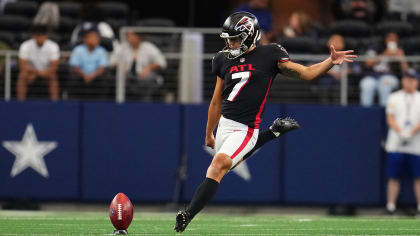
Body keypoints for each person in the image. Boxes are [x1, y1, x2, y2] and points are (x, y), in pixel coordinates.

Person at [174, 11, 356, 233]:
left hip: (245, 129)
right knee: (230, 164)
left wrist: (330, 62)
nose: (230, 43)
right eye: (229, 38)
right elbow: (215, 101)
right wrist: (208, 132)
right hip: (224, 124)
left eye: (235, 38)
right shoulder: (222, 59)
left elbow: (306, 73)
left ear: (250, 35)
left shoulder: (270, 54)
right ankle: (272, 132)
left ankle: (187, 215)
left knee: (218, 165)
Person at [385, 68, 420, 215]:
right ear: (403, 80)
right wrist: (401, 132)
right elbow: (390, 118)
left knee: (418, 177)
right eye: (407, 79)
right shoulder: (394, 97)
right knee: (393, 177)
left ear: (417, 82)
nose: (410, 82)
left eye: (412, 79)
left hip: (416, 144)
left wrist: (412, 132)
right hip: (396, 144)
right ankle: (391, 206)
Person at [111, 31, 167, 101]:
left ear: (138, 37)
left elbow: (162, 63)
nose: (128, 38)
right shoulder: (123, 47)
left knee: (147, 80)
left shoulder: (149, 47)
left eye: (131, 36)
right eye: (128, 36)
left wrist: (149, 68)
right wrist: (121, 67)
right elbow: (112, 62)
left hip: (144, 77)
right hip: (127, 77)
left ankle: (145, 104)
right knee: (119, 80)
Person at [359, 32, 408, 107]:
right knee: (367, 85)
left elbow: (406, 71)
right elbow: (367, 63)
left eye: (394, 39)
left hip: (389, 77)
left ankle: (385, 112)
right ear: (385, 40)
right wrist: (385, 54)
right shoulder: (376, 48)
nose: (392, 41)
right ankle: (366, 113)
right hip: (372, 76)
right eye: (390, 39)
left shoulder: (399, 50)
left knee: (384, 84)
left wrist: (401, 58)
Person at [17, 24, 60, 101]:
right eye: (38, 35)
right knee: (22, 75)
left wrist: (37, 73)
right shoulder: (25, 45)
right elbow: (23, 66)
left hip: (46, 72)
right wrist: (34, 73)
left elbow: (54, 67)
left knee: (53, 76)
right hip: (30, 73)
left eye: (42, 34)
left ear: (46, 35)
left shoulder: (53, 46)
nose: (40, 37)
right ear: (34, 35)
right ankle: (20, 102)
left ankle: (55, 103)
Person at [69, 25, 108, 99]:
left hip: (96, 78)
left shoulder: (101, 51)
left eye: (96, 37)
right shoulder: (78, 49)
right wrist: (84, 75)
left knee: (104, 81)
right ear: (85, 39)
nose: (94, 39)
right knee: (73, 80)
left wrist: (92, 76)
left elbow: (101, 68)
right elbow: (75, 67)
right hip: (81, 77)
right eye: (91, 37)